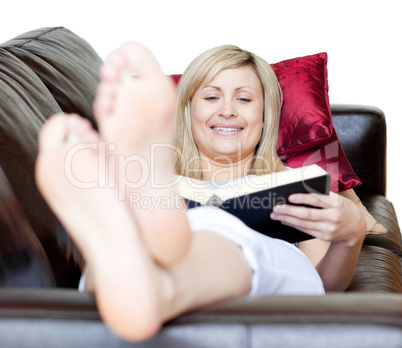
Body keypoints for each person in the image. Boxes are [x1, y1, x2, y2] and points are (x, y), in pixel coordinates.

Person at [35, 42, 366, 341]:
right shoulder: (164, 189)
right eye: (211, 97)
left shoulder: (298, 185)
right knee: (151, 242)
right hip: (165, 245)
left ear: (266, 117)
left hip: (269, 277)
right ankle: (137, 263)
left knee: (209, 227)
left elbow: (323, 286)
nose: (227, 110)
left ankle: (142, 256)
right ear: (187, 111)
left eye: (244, 99)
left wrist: (351, 237)